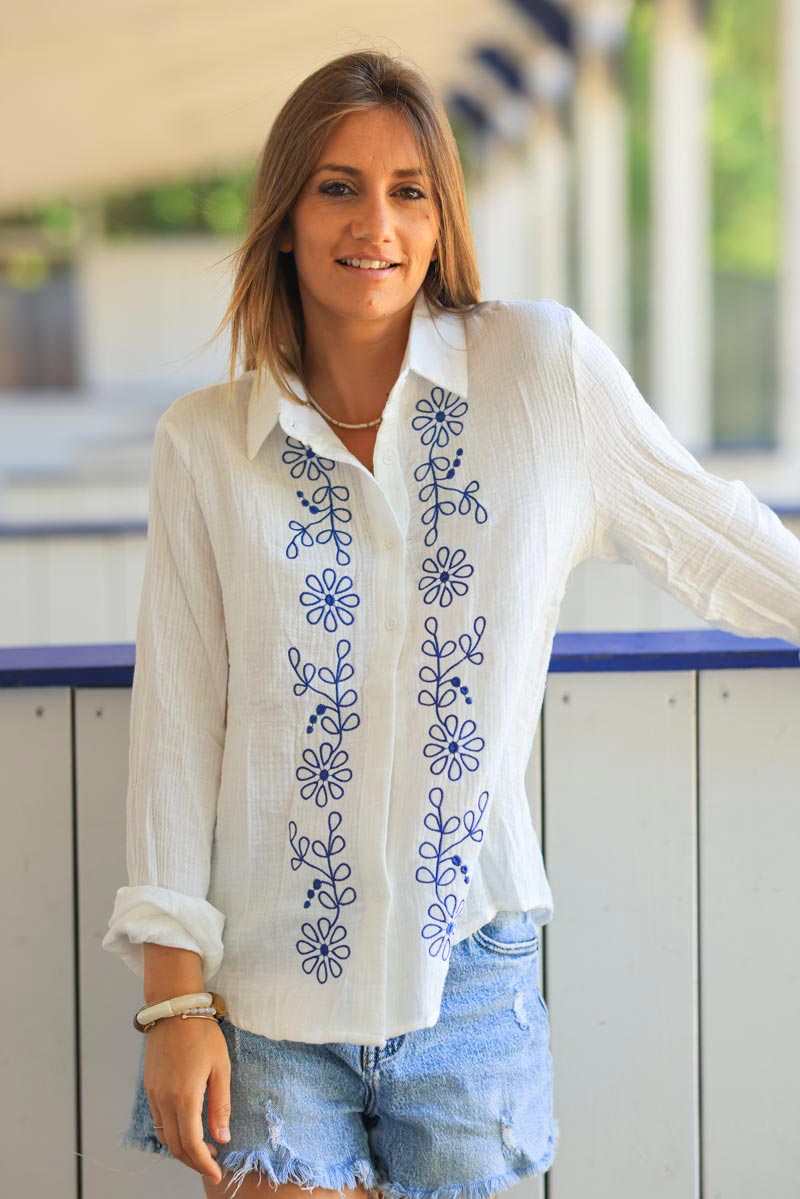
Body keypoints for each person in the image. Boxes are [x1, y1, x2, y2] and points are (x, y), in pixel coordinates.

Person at [102, 47, 800, 1199]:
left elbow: (712, 534)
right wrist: (173, 1001)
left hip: (466, 971)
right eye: (336, 185)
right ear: (283, 216)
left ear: (440, 217)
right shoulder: (203, 443)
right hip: (262, 993)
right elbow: (176, 735)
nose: (372, 220)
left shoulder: (541, 372)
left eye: (407, 189)